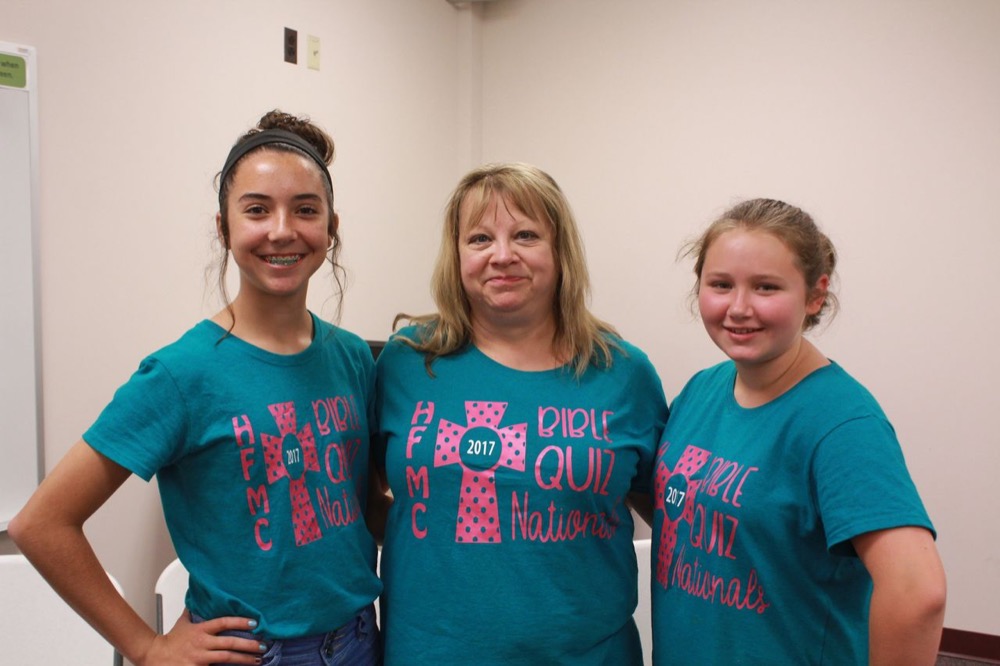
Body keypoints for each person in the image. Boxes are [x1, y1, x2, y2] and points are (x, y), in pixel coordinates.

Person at [9, 110, 382, 666]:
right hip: (253, 654)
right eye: (257, 209)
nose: (282, 230)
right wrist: (146, 647)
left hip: (360, 642)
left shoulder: (352, 357)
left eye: (306, 209)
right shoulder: (181, 374)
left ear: (331, 228)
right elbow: (41, 524)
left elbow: (361, 508)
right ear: (223, 228)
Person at [372, 162, 668, 665]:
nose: (502, 255)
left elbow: (671, 517)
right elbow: (362, 498)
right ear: (457, 255)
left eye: (526, 235)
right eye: (480, 238)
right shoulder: (406, 361)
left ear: (560, 250)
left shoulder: (623, 372)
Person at [649, 198, 946, 664]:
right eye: (721, 284)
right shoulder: (701, 391)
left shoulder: (842, 423)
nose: (739, 308)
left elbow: (917, 592)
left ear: (815, 295)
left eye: (766, 287)